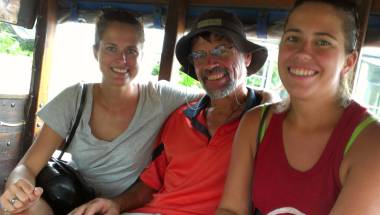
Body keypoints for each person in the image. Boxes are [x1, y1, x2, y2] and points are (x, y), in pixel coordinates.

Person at [68, 10, 271, 215]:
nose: (210, 63)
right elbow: (150, 183)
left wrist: (271, 103)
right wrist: (116, 204)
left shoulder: (265, 122)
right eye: (199, 55)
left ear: (246, 57)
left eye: (221, 50)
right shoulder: (182, 116)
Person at [0, 10, 200, 215]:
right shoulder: (74, 98)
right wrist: (17, 188)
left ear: (142, 55)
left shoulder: (159, 96)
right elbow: (28, 167)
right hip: (74, 198)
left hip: (128, 206)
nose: (122, 60)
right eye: (111, 48)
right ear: (96, 52)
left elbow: (217, 96)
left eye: (131, 51)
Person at [217, 0, 380, 214]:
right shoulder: (256, 123)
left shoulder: (370, 143)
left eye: (323, 42)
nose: (302, 53)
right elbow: (231, 209)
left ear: (348, 62)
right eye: (293, 38)